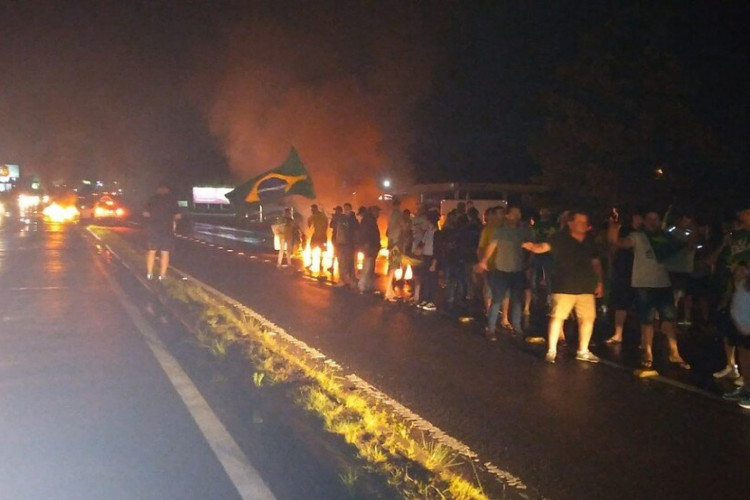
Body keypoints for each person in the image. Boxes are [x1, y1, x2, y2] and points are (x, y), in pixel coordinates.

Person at [608, 210, 690, 369]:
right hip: (644, 284)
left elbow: (685, 247)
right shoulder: (638, 236)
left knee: (669, 320)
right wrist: (614, 227)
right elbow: (618, 243)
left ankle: (675, 353)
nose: (653, 222)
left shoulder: (665, 237)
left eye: (656, 219)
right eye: (650, 219)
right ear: (644, 221)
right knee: (647, 321)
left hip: (663, 284)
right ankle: (648, 352)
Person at [523, 210, 604, 363]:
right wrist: (533, 246)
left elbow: (596, 262)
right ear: (571, 223)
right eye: (579, 222)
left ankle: (583, 350)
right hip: (564, 286)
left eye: (585, 223)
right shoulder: (559, 238)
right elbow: (544, 247)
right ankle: (551, 350)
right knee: (557, 317)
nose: (583, 225)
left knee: (587, 319)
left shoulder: (589, 240)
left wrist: (599, 282)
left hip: (586, 287)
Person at [476, 204, 531, 340]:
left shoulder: (523, 231)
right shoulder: (500, 231)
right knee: (497, 300)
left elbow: (531, 245)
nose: (517, 216)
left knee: (517, 301)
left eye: (518, 214)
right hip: (500, 270)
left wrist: (529, 261)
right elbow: (491, 246)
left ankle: (517, 328)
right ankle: (491, 328)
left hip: (517, 270)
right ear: (508, 215)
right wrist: (483, 261)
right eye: (514, 213)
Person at [710, 205, 750, 382]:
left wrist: (743, 268)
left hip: (745, 290)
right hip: (731, 290)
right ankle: (731, 366)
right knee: (729, 330)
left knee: (745, 335)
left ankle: (746, 376)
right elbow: (714, 260)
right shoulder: (731, 240)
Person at [143, 182, 181, 281]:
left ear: (158, 189)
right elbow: (178, 215)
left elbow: (145, 213)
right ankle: (162, 275)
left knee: (152, 251)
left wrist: (153, 216)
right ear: (167, 190)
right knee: (165, 252)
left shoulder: (152, 199)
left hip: (154, 229)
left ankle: (149, 273)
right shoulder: (172, 200)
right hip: (167, 230)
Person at [385, 198, 406, 301]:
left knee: (392, 268)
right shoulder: (398, 214)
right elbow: (404, 227)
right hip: (396, 243)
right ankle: (388, 293)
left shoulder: (391, 215)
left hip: (392, 243)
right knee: (393, 268)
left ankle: (390, 291)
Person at [333, 203, 358, 287]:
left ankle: (348, 280)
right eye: (345, 209)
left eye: (348, 209)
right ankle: (344, 280)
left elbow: (356, 231)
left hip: (348, 245)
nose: (346, 210)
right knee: (342, 263)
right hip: (342, 244)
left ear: (350, 209)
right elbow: (333, 225)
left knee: (348, 263)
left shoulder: (352, 220)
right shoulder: (342, 218)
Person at [357, 206, 381, 294]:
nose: (378, 214)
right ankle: (362, 285)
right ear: (373, 212)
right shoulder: (369, 221)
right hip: (370, 247)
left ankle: (368, 286)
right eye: (377, 211)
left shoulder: (370, 220)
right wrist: (367, 244)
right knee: (367, 266)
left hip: (372, 247)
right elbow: (365, 234)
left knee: (370, 267)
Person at [307, 204, 329, 275]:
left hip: (320, 236)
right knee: (313, 249)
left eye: (312, 210)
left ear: (315, 209)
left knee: (321, 251)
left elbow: (309, 223)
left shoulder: (317, 216)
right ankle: (314, 263)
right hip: (318, 236)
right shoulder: (319, 216)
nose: (312, 211)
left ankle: (319, 264)